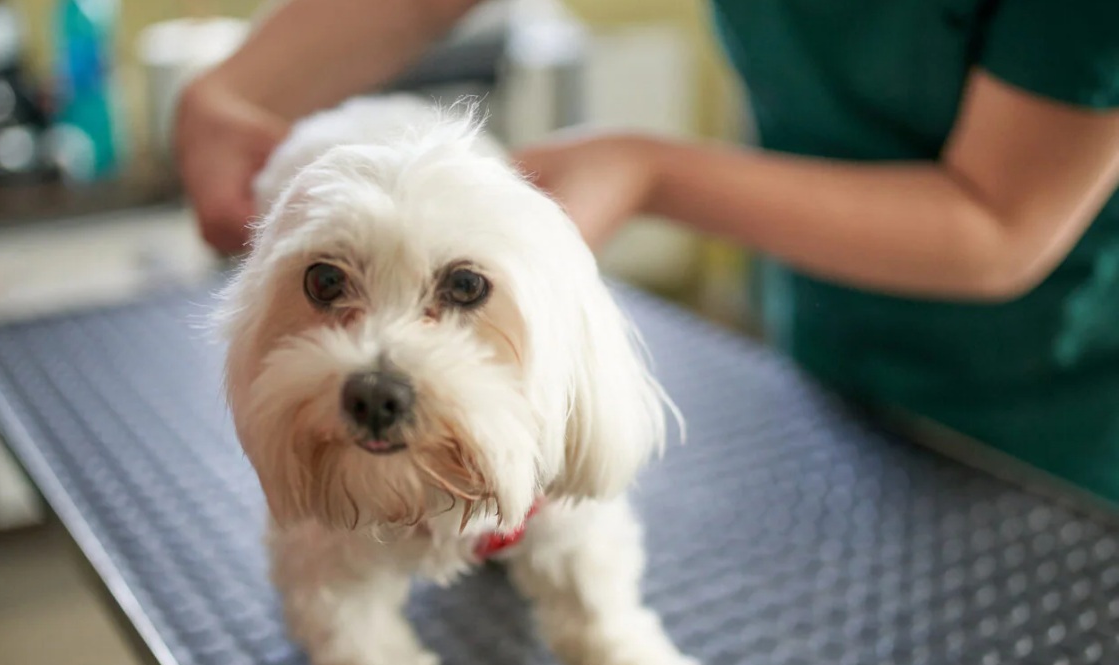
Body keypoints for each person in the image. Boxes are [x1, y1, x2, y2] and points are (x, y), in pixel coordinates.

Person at [175, 0, 1119, 504]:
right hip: (835, 351)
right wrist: (229, 92)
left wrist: (646, 169)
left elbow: (1001, 222)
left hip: (1068, 420)